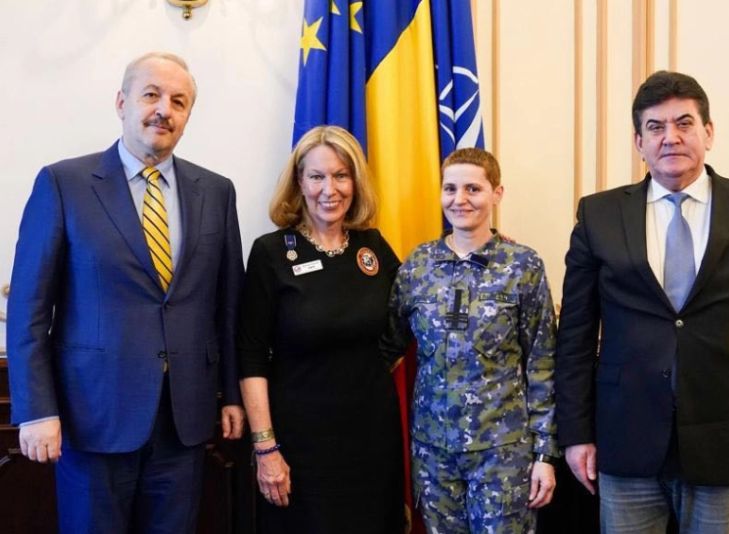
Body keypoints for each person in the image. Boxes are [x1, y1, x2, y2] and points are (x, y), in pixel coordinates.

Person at [6, 51, 245, 533]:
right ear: (121, 102)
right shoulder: (64, 184)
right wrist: (35, 410)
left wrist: (234, 394)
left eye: (178, 101)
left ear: (188, 115)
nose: (164, 110)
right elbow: (30, 308)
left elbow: (228, 307)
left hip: (184, 421)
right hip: (93, 418)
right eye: (151, 95)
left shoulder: (217, 192)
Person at [556, 70, 729, 533]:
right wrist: (575, 433)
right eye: (655, 127)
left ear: (708, 132)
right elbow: (575, 335)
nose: (670, 137)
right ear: (639, 142)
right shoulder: (599, 213)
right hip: (624, 437)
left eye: (684, 123)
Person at [237, 125, 404, 533]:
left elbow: (421, 302)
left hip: (371, 437)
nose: (330, 189)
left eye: (341, 175)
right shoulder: (271, 253)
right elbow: (251, 354)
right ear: (299, 182)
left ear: (355, 182)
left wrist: (480, 242)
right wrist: (265, 447)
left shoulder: (373, 246)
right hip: (299, 443)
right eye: (317, 176)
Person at [382, 148, 558, 533]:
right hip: (433, 452)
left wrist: (545, 453)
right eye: (450, 189)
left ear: (497, 193)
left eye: (473, 189)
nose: (459, 200)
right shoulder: (417, 266)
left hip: (503, 452)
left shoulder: (522, 265)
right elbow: (387, 347)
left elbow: (542, 362)